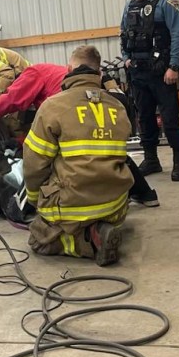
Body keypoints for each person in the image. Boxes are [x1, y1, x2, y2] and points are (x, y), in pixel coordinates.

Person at [0, 58, 159, 208]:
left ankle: (49, 199)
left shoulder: (33, 72)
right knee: (107, 152)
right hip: (97, 107)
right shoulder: (52, 72)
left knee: (56, 158)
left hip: (76, 111)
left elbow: (14, 99)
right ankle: (145, 194)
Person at [23, 45, 132, 266]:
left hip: (74, 205)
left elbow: (34, 165)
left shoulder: (52, 107)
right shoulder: (119, 107)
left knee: (38, 239)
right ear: (99, 73)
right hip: (116, 205)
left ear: (68, 69)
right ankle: (99, 227)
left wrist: (35, 200)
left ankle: (87, 241)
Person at [120, 0, 179, 181]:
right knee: (145, 118)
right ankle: (151, 159)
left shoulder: (167, 4)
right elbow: (124, 35)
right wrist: (126, 58)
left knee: (170, 119)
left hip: (163, 73)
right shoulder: (130, 6)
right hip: (138, 73)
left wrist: (174, 67)